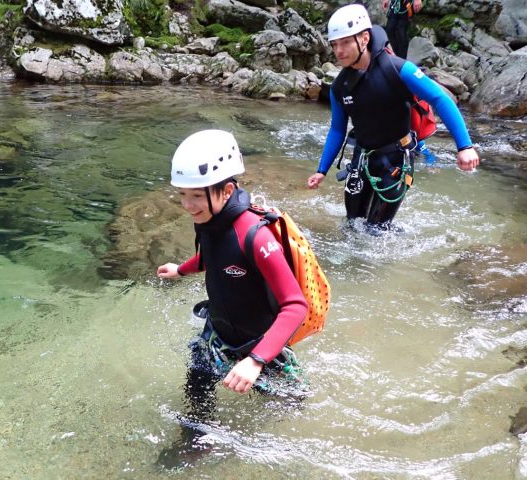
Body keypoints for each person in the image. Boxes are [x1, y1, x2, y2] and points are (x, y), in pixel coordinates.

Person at [156, 129, 310, 467]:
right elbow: (214, 255)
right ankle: (198, 439)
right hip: (218, 332)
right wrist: (181, 269)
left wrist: (255, 361)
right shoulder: (209, 219)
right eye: (181, 194)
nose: (186, 205)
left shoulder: (256, 235)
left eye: (195, 195)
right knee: (197, 379)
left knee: (290, 407)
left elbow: (296, 305)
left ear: (227, 191)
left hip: (260, 344)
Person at [307, 4, 480, 232]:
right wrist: (321, 170)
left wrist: (465, 146)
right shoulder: (340, 87)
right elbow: (338, 130)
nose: (339, 51)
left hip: (396, 160)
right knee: (352, 225)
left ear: (364, 38)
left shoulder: (398, 70)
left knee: (376, 231)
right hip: (362, 160)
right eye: (335, 44)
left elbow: (440, 99)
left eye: (346, 42)